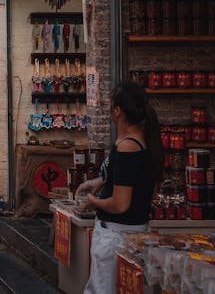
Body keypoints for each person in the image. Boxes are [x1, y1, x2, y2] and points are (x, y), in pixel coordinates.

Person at [82, 81, 162, 294]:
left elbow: (120, 204)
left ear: (118, 111)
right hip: (135, 232)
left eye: (110, 104)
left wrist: (94, 201)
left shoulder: (128, 146)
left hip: (116, 237)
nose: (108, 108)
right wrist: (100, 182)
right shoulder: (144, 142)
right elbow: (149, 191)